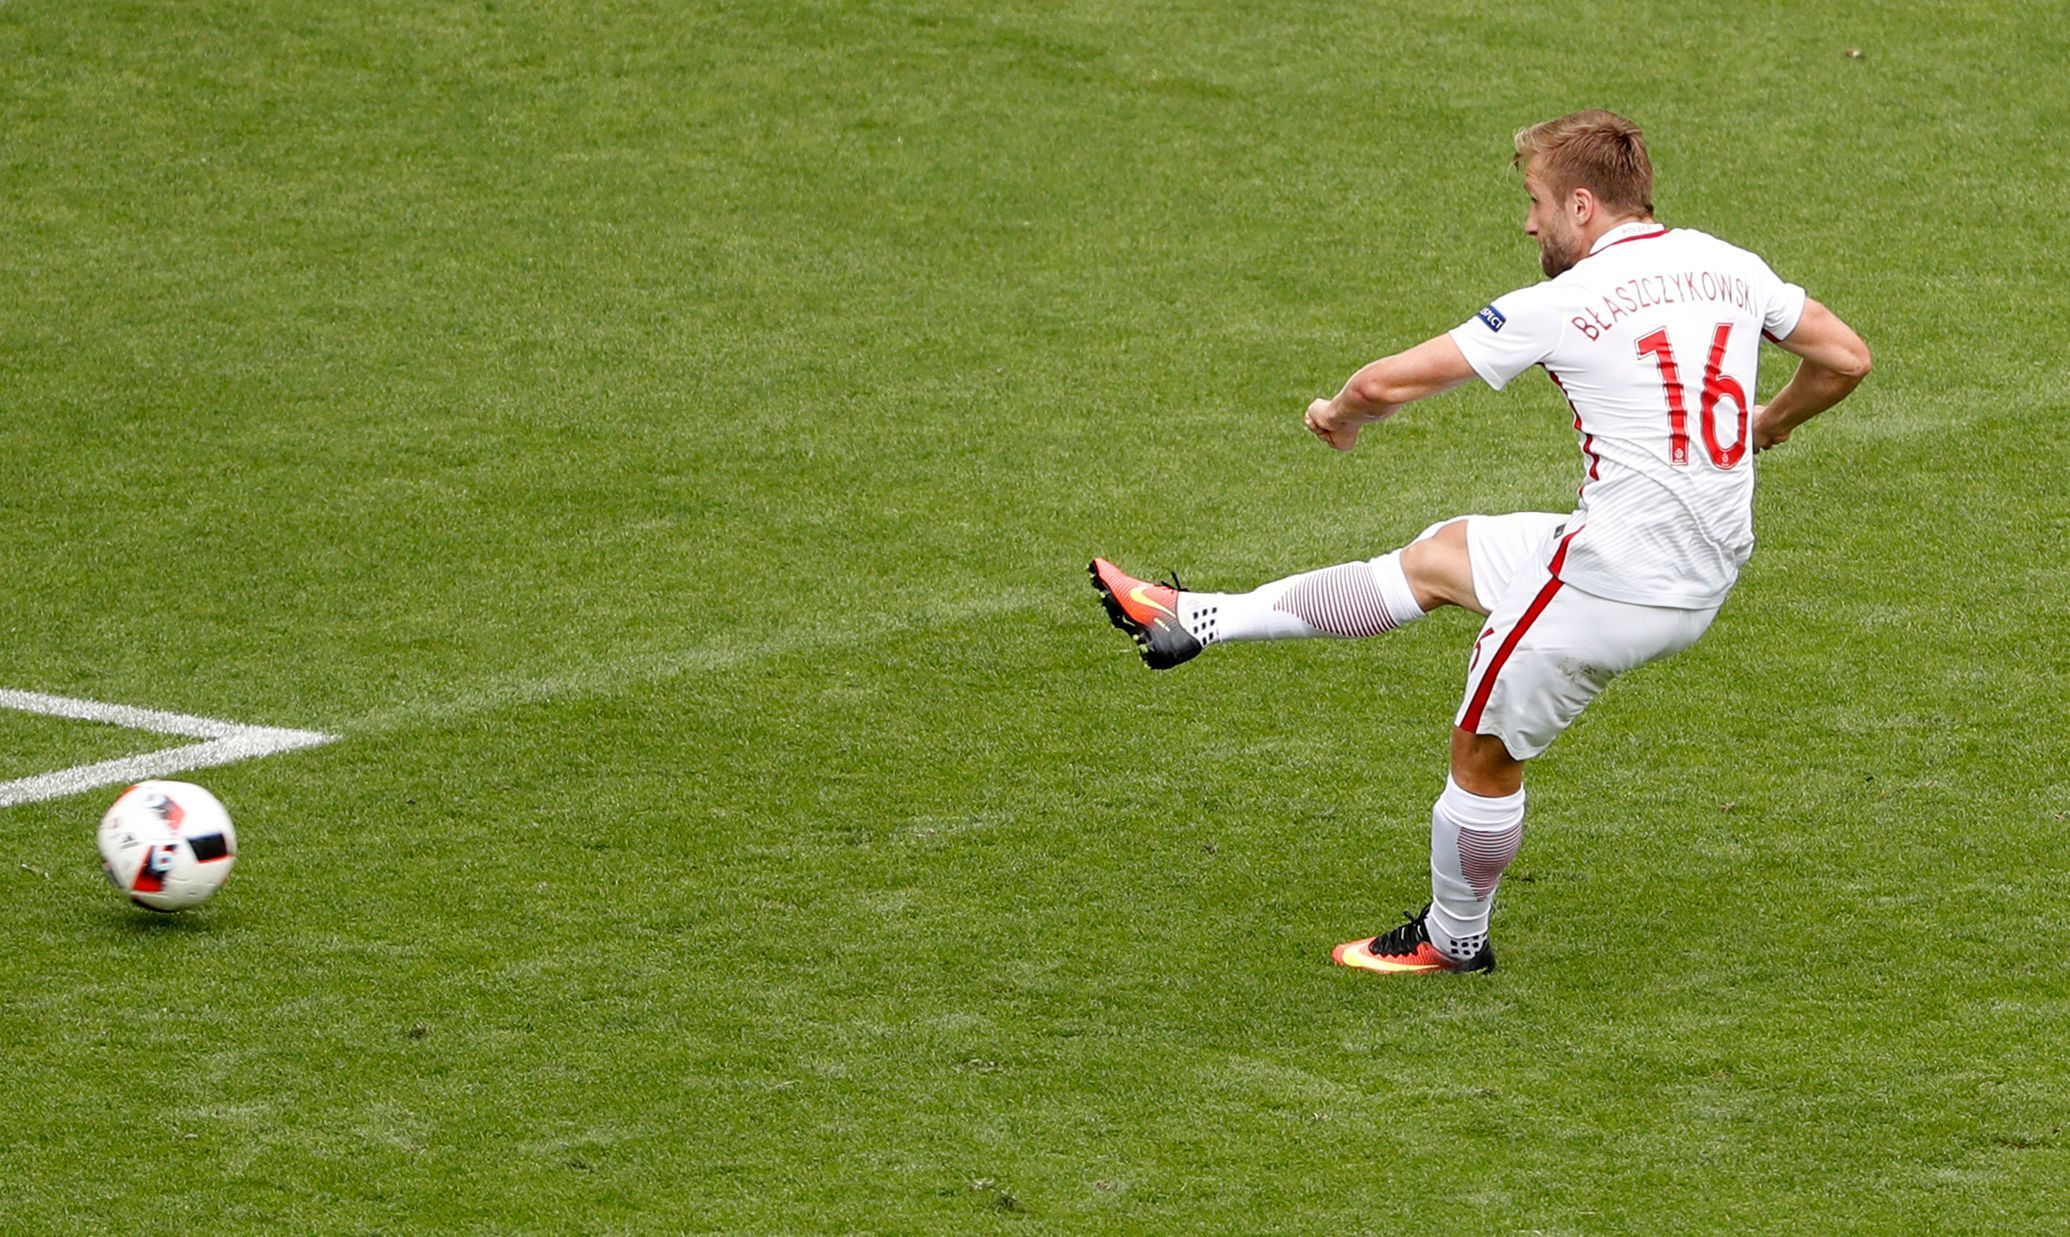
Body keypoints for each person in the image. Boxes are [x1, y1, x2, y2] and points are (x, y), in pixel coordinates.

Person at [1089, 109, 1871, 975]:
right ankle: (1197, 617)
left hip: (1610, 584)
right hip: (1701, 565)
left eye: (1536, 201)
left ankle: (1453, 937)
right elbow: (1845, 357)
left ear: (1581, 204)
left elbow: (1385, 384)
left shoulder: (1565, 302)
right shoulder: (1731, 266)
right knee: (1439, 558)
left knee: (1483, 754)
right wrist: (1767, 424)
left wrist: (1337, 414)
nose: (1529, 223)